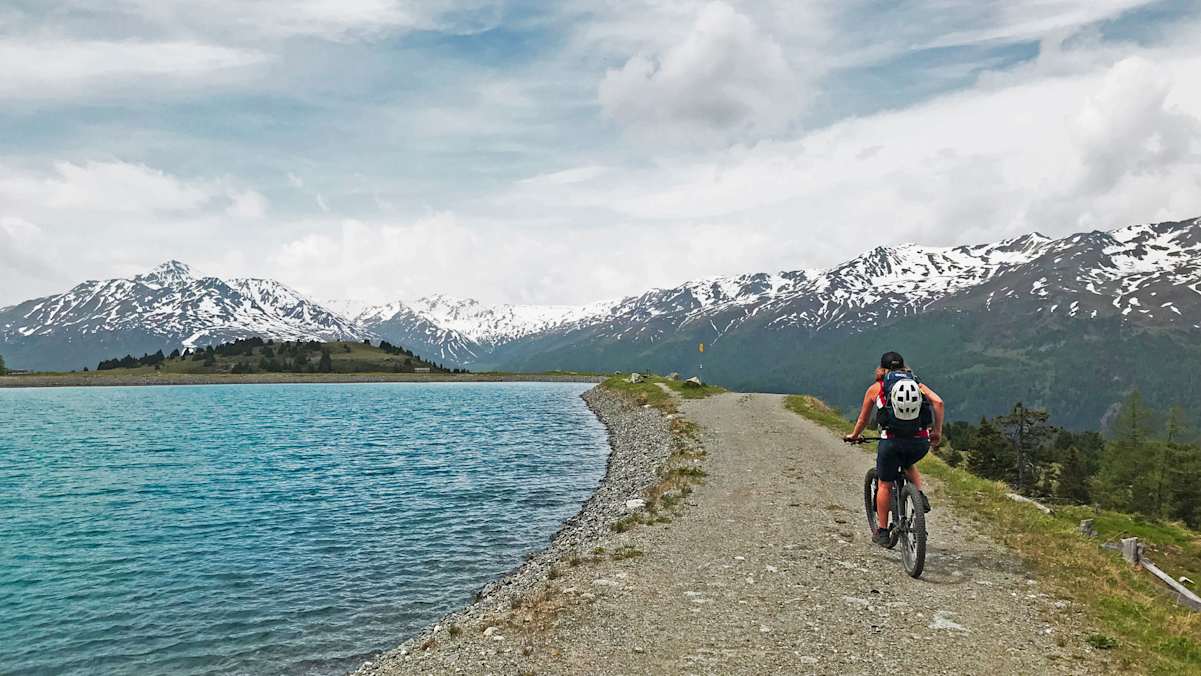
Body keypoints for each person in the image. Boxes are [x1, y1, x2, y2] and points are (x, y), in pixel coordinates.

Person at [844, 351, 944, 546]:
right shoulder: (917, 384)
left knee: (884, 484)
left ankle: (882, 531)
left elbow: (863, 419)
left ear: (881, 369)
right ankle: (918, 495)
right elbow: (938, 403)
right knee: (908, 462)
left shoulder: (876, 388)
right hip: (920, 442)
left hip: (891, 442)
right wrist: (937, 431)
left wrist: (854, 436)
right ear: (904, 367)